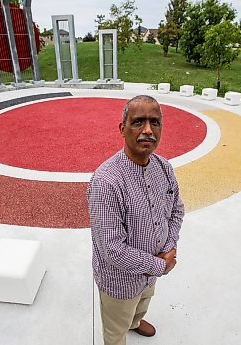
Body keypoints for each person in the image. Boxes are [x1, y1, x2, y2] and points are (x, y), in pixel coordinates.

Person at [87, 95, 185, 345]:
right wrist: (160, 266)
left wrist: (169, 246)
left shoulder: (163, 166)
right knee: (115, 330)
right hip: (120, 281)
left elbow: (176, 209)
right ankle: (123, 330)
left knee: (143, 301)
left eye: (155, 122)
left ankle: (135, 321)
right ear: (123, 128)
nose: (148, 130)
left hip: (153, 271)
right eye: (138, 122)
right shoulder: (106, 181)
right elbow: (112, 250)